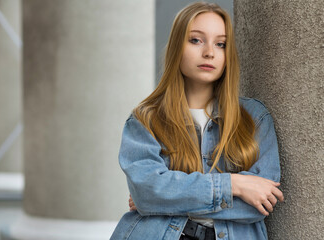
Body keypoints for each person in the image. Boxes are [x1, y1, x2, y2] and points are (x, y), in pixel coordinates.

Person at [110, 2, 284, 240]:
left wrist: (166, 197)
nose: (209, 52)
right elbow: (147, 192)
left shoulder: (255, 118)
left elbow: (260, 203)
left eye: (220, 44)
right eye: (196, 40)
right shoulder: (146, 119)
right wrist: (235, 184)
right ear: (176, 48)